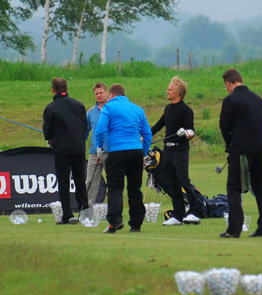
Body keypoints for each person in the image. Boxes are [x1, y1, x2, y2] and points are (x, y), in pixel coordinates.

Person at [218, 68, 262, 238]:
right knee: (261, 187)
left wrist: (230, 145)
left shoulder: (230, 100)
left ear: (228, 83)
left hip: (241, 150)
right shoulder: (259, 100)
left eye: (225, 86)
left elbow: (224, 126)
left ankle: (234, 229)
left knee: (234, 187)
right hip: (261, 150)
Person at [94, 83, 152, 233]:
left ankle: (115, 221)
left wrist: (99, 147)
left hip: (117, 152)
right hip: (135, 151)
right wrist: (143, 153)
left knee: (115, 188)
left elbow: (100, 130)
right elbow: (147, 134)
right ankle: (136, 223)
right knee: (134, 188)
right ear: (124, 95)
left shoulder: (108, 107)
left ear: (111, 95)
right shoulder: (138, 109)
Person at [151, 75, 201, 226]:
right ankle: (178, 214)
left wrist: (184, 133)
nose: (167, 91)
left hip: (180, 151)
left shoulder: (186, 110)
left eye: (170, 89)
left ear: (178, 93)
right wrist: (145, 135)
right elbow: (159, 125)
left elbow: (191, 132)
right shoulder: (168, 108)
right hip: (168, 151)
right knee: (172, 183)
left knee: (183, 181)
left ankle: (194, 212)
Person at [43, 77, 89, 224]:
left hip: (62, 149)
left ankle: (67, 215)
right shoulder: (79, 105)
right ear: (66, 89)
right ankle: (85, 212)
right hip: (79, 148)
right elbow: (84, 126)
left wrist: (50, 137)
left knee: (63, 182)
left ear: (53, 90)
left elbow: (47, 132)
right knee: (80, 180)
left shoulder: (50, 108)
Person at [85, 82, 109, 208]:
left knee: (112, 181)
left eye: (101, 93)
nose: (99, 95)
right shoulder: (90, 112)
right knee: (90, 181)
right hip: (94, 152)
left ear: (106, 93)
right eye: (96, 94)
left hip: (111, 151)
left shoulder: (113, 109)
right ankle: (88, 209)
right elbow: (85, 131)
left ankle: (113, 208)